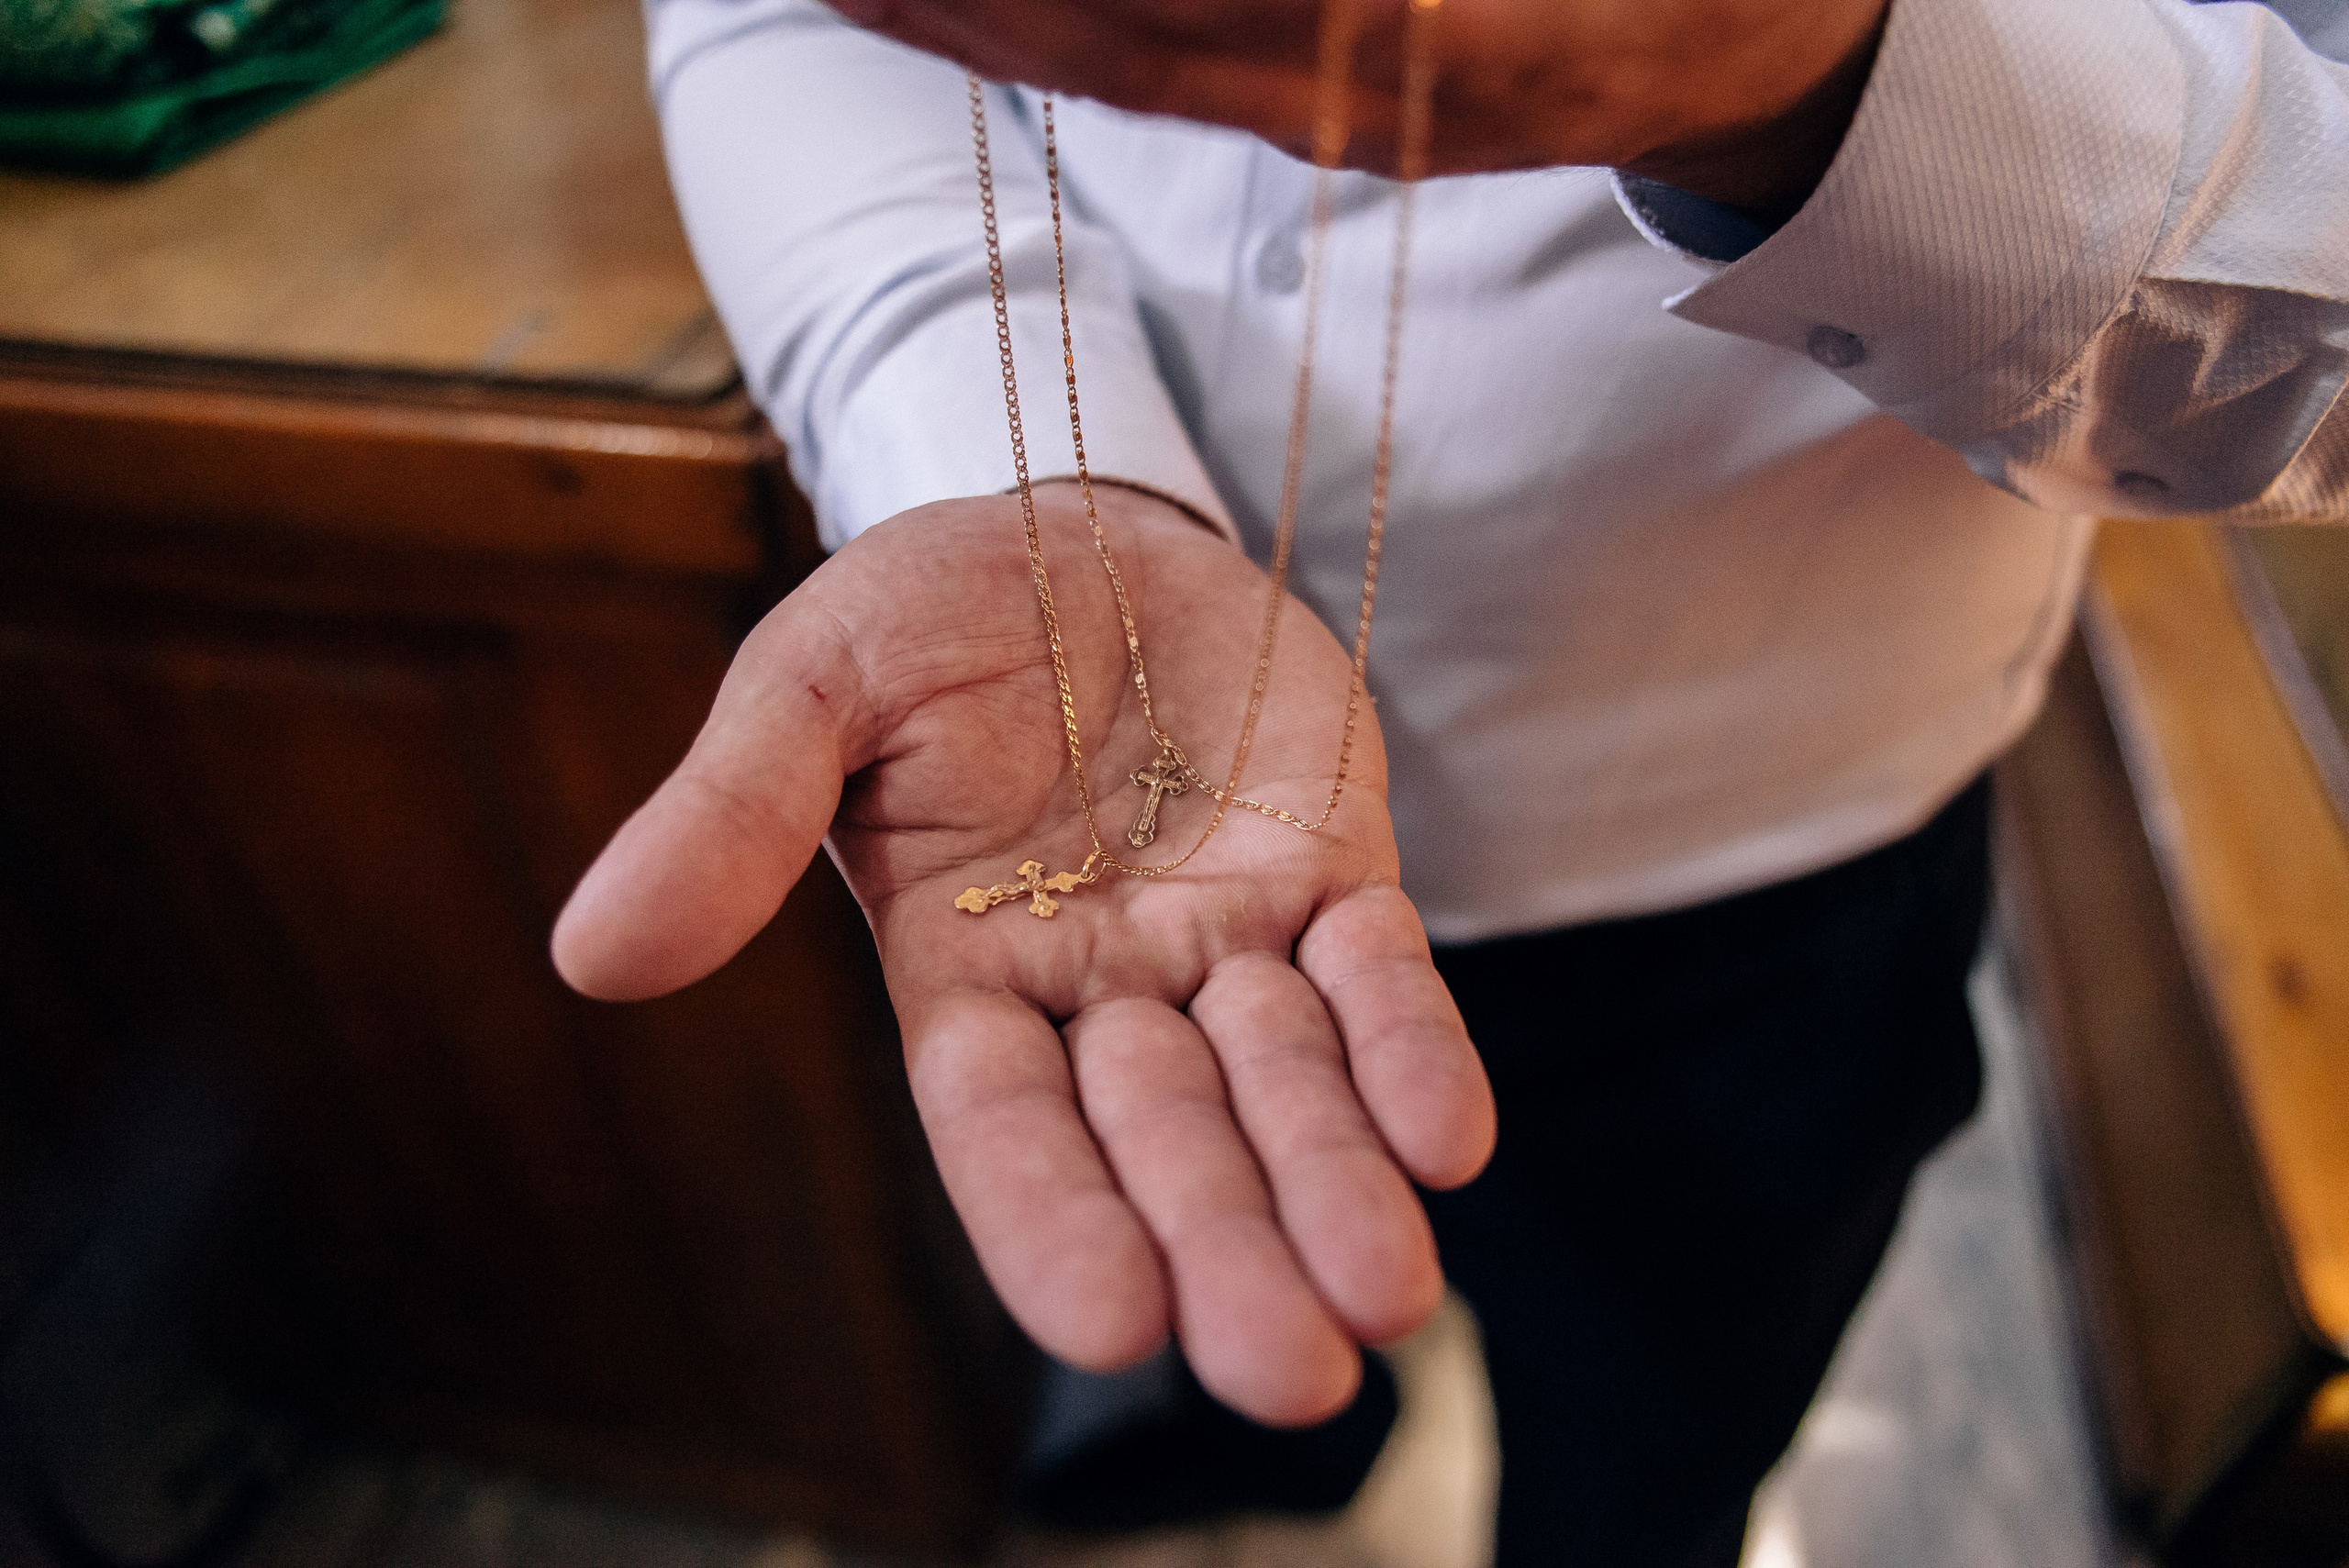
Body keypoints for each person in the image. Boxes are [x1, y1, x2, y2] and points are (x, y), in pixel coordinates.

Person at [552, 0, 2349, 1560]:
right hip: (1091, 779)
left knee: (1646, 1446)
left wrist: (1815, 91)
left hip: (1761, 860)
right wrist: (972, 424)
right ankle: (1282, 1425)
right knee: (1224, 1260)